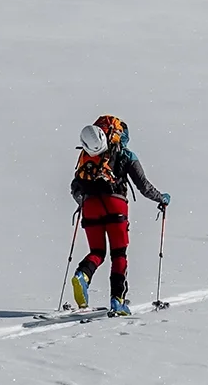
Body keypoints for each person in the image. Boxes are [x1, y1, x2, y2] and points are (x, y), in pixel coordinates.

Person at [70, 115, 170, 316]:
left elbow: (75, 187)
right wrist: (162, 198)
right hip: (116, 205)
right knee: (118, 254)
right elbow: (143, 185)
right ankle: (117, 300)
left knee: (97, 251)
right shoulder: (125, 154)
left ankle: (82, 276)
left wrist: (86, 203)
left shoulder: (88, 154)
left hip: (90, 205)